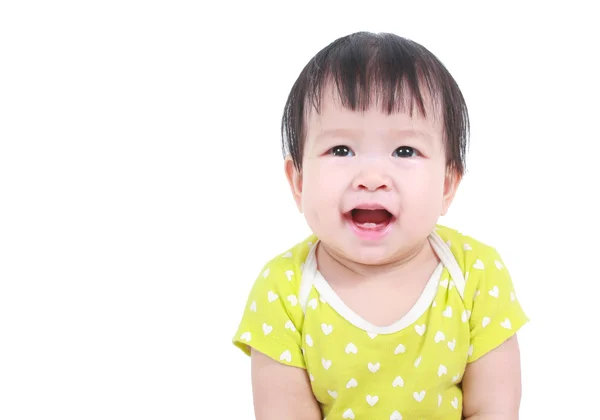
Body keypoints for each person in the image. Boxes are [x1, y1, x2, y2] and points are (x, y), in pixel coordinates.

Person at [232, 31, 528, 419]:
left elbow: (494, 408)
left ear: (447, 184)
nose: (372, 176)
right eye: (341, 149)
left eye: (405, 150)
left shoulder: (475, 275)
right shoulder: (284, 290)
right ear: (299, 181)